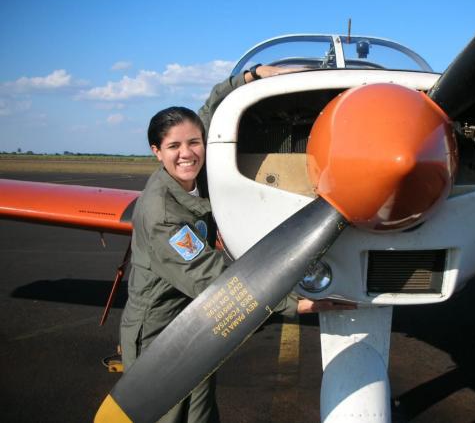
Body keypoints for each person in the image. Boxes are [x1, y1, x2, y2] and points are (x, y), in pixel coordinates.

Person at [121, 68, 353, 423]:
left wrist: (254, 75)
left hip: (195, 315)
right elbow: (211, 279)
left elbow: (214, 108)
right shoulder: (161, 215)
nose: (187, 154)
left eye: (194, 143)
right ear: (156, 152)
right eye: (173, 147)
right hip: (162, 332)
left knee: (201, 411)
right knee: (171, 416)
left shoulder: (192, 164)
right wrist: (297, 302)